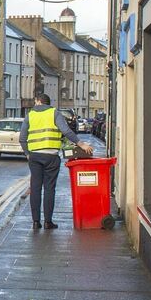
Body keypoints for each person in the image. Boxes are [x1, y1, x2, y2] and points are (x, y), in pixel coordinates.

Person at [20, 91, 94, 229]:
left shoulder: (30, 115)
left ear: (38, 101)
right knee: (49, 188)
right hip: (51, 157)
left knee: (35, 188)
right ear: (48, 103)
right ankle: (48, 222)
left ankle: (36, 222)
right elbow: (66, 131)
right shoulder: (54, 113)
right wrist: (81, 144)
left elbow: (22, 138)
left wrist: (27, 154)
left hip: (34, 156)